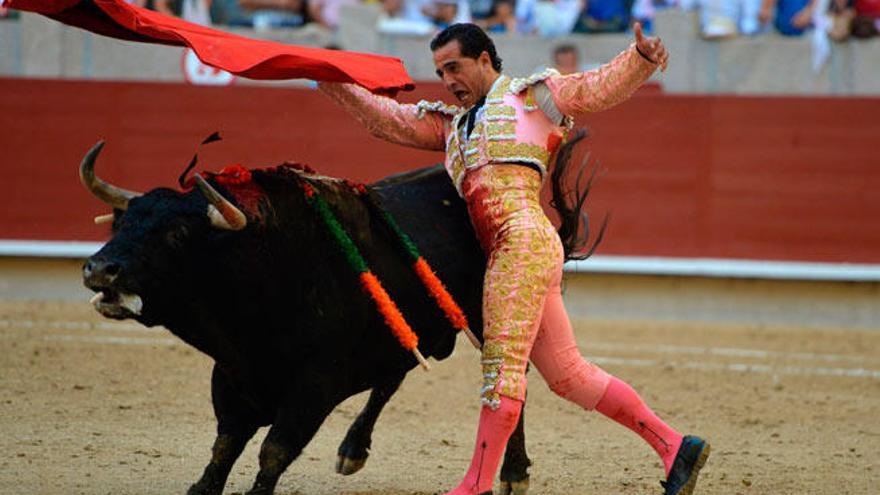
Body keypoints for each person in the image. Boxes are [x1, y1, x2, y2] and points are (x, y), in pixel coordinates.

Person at [318, 23, 709, 495]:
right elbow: (389, 120)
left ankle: (474, 487)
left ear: (485, 59)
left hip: (519, 243)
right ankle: (675, 447)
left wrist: (640, 60)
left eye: (455, 67)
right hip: (522, 248)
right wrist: (332, 81)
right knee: (569, 375)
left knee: (500, 370)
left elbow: (596, 87)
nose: (447, 80)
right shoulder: (453, 126)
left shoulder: (531, 98)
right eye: (441, 71)